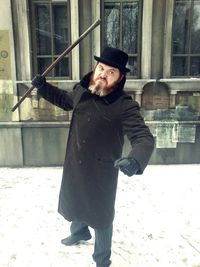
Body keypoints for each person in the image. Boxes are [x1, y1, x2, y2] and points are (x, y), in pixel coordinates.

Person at [31, 46, 155, 267]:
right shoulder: (83, 90)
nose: (103, 75)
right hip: (75, 161)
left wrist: (135, 159)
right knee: (76, 198)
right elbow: (64, 100)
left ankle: (102, 259)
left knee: (101, 215)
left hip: (101, 170)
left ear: (120, 77)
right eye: (101, 68)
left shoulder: (124, 105)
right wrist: (43, 87)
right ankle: (79, 233)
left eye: (111, 72)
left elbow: (142, 136)